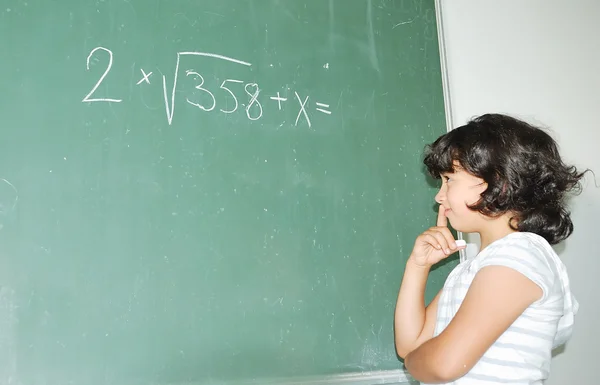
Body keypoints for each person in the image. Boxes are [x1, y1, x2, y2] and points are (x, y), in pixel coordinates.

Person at [394, 113, 588, 384]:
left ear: (499, 182)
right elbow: (409, 343)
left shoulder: (519, 256)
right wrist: (418, 266)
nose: (439, 196)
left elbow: (443, 364)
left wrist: (413, 363)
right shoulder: (472, 269)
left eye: (449, 179)